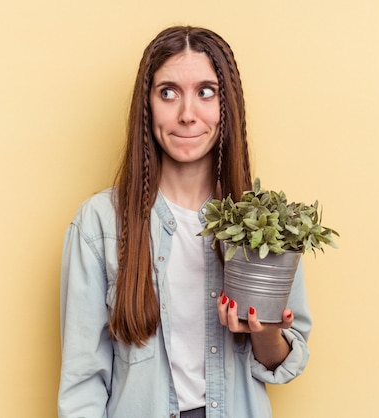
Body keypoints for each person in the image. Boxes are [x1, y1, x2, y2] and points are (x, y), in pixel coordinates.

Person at [57, 26, 312, 418]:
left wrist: (266, 332)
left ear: (226, 106)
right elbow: (82, 386)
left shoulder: (263, 225)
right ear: (148, 105)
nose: (187, 115)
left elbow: (283, 362)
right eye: (168, 92)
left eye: (205, 92)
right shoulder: (99, 224)